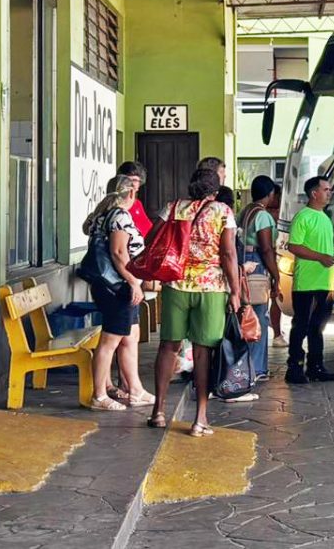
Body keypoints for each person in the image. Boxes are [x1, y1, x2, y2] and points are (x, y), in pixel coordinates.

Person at [149, 167, 241, 436]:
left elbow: (151, 239)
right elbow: (228, 254)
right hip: (210, 287)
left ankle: (158, 411)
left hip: (175, 284)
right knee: (203, 352)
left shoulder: (174, 207)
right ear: (215, 189)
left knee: (168, 346)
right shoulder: (222, 212)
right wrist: (235, 291)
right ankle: (200, 419)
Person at [83, 175, 151, 411]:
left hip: (111, 285)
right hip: (117, 286)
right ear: (130, 194)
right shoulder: (119, 216)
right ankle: (99, 396)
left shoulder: (102, 215)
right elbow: (119, 253)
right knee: (110, 340)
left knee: (130, 336)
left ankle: (135, 390)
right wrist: (133, 282)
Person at [285, 176, 334, 384]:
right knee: (301, 325)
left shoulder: (325, 218)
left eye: (330, 189)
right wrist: (320, 257)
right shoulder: (303, 217)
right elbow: (294, 246)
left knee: (318, 327)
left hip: (325, 282)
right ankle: (295, 367)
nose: (329, 193)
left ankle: (316, 366)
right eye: (326, 189)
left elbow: (325, 248)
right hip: (307, 283)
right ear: (314, 193)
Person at [239, 176, 282, 383]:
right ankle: (257, 368)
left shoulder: (245, 211)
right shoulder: (263, 216)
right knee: (258, 318)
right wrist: (276, 274)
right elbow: (266, 248)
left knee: (244, 316)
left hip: (243, 263)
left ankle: (244, 366)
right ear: (270, 194)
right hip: (257, 264)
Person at [269, 186, 287, 348]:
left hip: (272, 259)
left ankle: (277, 332)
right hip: (270, 260)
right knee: (276, 297)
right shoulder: (271, 215)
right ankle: (276, 334)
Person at [117, 161, 152, 240]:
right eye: (128, 179)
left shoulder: (137, 203)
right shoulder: (116, 204)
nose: (131, 183)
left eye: (135, 180)